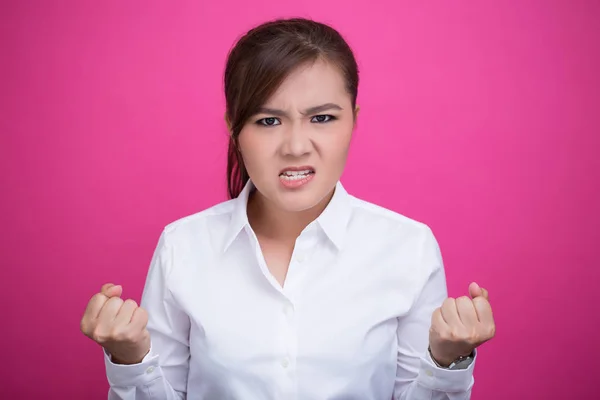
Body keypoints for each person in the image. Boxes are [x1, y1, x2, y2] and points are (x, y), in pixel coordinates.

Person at [80, 17, 495, 400]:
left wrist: (445, 361)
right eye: (268, 121)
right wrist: (131, 358)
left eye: (322, 118)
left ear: (354, 119)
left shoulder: (409, 248)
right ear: (233, 127)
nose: (296, 147)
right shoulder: (183, 245)